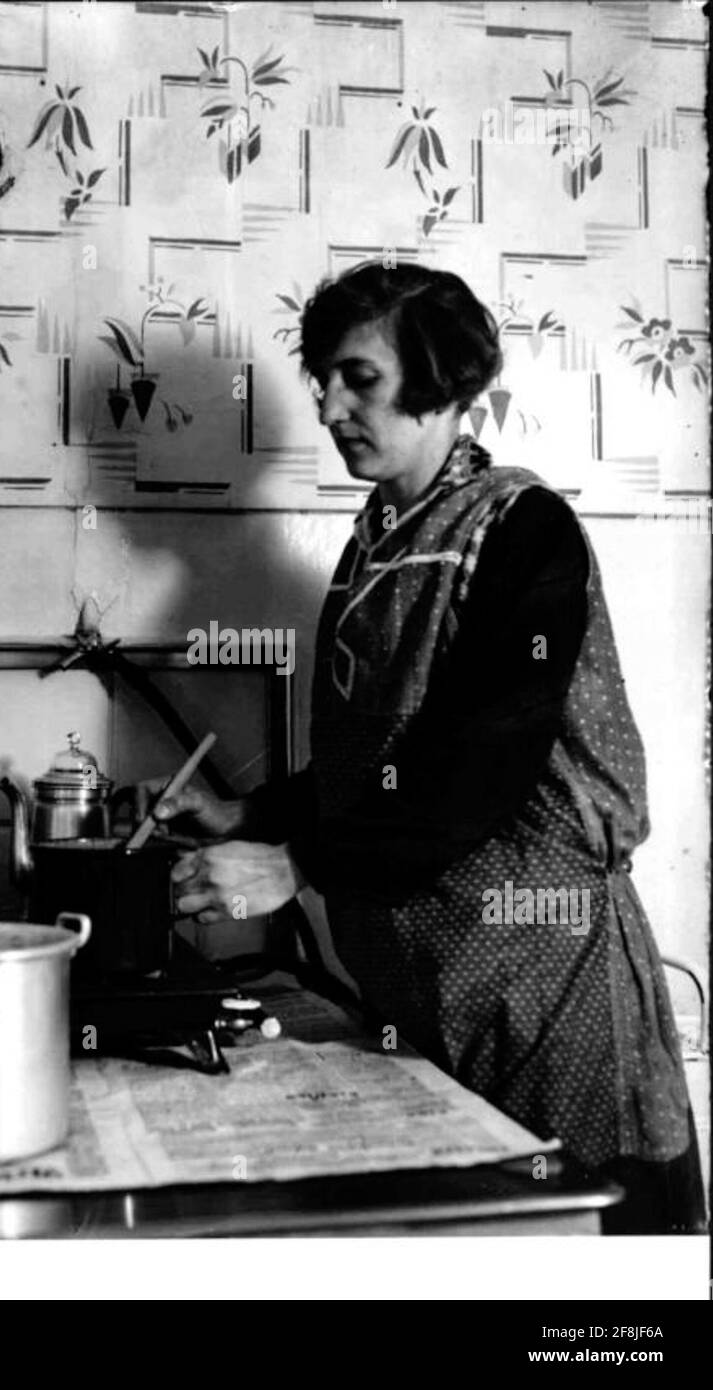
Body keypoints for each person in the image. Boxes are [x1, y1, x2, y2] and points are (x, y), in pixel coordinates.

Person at [154, 261, 706, 1235]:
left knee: (567, 1243)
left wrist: (293, 863)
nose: (328, 404)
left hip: (539, 977)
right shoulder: (373, 543)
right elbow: (382, 760)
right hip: (419, 975)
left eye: (358, 377)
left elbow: (480, 759)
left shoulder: (523, 526)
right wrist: (251, 812)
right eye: (322, 377)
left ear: (445, 381)